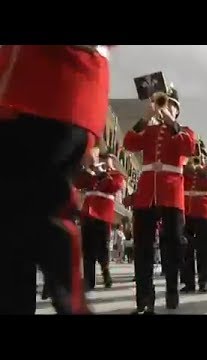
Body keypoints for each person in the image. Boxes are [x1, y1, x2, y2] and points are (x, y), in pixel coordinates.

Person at [0, 45, 112, 314]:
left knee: (41, 221)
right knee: (10, 233)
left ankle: (72, 300)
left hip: (59, 91)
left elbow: (115, 184)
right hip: (15, 96)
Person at [123, 84, 196, 314]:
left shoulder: (183, 131)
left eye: (170, 106)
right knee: (143, 246)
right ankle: (145, 298)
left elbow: (189, 147)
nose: (165, 109)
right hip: (146, 193)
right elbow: (128, 143)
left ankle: (172, 290)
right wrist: (145, 117)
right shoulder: (148, 131)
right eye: (163, 105)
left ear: (176, 110)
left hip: (171, 192)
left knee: (173, 245)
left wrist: (171, 123)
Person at [76, 151, 125, 291]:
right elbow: (79, 183)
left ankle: (106, 272)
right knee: (87, 249)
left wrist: (104, 173)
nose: (102, 161)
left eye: (106, 159)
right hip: (88, 213)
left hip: (103, 214)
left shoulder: (116, 175)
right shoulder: (91, 173)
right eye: (101, 159)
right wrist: (86, 170)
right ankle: (88, 281)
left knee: (103, 248)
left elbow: (115, 186)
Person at [181, 145, 207, 293]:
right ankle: (188, 282)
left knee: (204, 249)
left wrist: (202, 172)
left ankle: (203, 280)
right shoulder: (186, 169)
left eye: (200, 155)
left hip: (203, 211)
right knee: (186, 249)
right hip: (186, 210)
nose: (197, 157)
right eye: (195, 154)